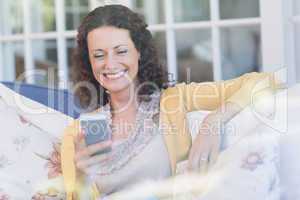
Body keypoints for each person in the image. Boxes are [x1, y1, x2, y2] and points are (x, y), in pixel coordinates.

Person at [60, 4, 279, 200]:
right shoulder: (77, 133)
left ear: (139, 52)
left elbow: (265, 81)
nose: (110, 63)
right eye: (99, 55)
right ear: (89, 61)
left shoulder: (174, 101)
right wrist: (80, 175)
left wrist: (214, 121)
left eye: (121, 51)